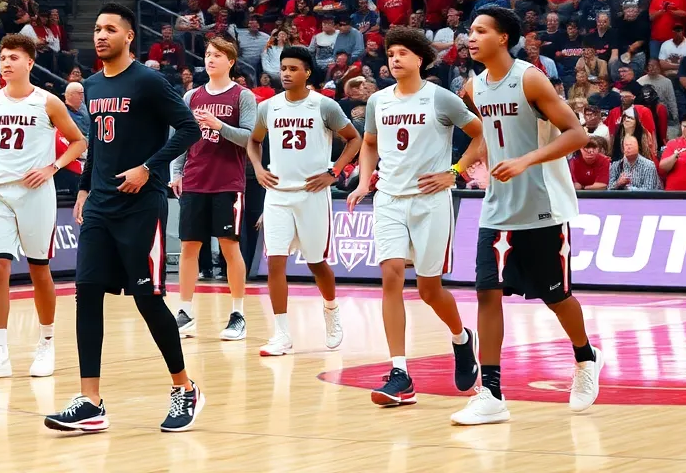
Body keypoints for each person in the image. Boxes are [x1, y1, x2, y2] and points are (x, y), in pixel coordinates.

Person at [43, 3, 204, 434]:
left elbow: (188, 129)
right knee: (86, 293)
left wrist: (149, 167)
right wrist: (82, 188)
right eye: (96, 28)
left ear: (128, 36)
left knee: (147, 299)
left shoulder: (149, 81)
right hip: (99, 205)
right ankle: (91, 401)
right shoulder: (91, 84)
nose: (100, 35)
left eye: (110, 29)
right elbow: (97, 140)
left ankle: (184, 387)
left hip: (140, 206)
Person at [453, 6, 601, 426]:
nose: (471, 37)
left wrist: (526, 160)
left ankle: (585, 357)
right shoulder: (473, 86)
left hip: (542, 206)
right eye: (470, 31)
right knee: (487, 293)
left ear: (503, 38)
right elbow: (487, 137)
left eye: (480, 31)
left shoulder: (529, 77)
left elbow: (577, 133)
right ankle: (492, 392)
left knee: (556, 297)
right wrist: (462, 170)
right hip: (497, 207)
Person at [347, 26, 483, 407]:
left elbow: (480, 134)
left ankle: (460, 337)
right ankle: (400, 373)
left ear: (420, 59)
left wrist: (454, 172)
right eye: (391, 54)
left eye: (403, 53)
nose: (394, 59)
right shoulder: (377, 102)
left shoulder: (441, 98)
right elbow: (370, 144)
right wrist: (362, 182)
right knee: (390, 275)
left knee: (428, 289)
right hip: (389, 197)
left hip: (430, 200)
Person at [0, 34, 87, 380]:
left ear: (29, 63)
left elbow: (80, 142)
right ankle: (0, 353)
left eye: (13, 58)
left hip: (36, 194)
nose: (6, 63)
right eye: (2, 57)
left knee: (39, 270)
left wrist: (52, 166)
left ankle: (46, 343)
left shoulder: (49, 102)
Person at [247, 46, 362, 356]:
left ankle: (331, 311)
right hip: (278, 195)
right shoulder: (268, 107)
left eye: (293, 68)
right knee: (275, 263)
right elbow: (254, 142)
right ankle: (281, 334)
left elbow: (355, 140)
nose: (285, 73)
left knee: (316, 262)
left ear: (307, 72)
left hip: (312, 195)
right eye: (283, 68)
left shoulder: (324, 106)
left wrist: (334, 172)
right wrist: (258, 169)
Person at [169, 37, 258, 341]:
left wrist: (219, 125)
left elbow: (248, 138)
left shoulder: (243, 96)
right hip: (194, 179)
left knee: (228, 246)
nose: (210, 59)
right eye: (208, 54)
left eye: (217, 55)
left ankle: (238, 313)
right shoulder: (192, 95)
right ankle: (185, 312)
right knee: (189, 247)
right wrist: (176, 170)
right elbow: (182, 136)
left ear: (231, 61)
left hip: (227, 182)